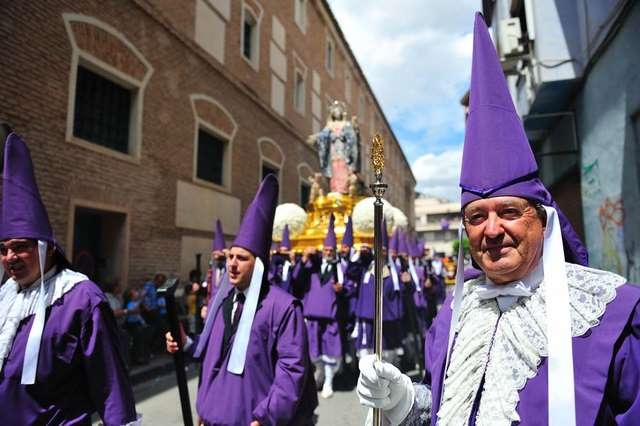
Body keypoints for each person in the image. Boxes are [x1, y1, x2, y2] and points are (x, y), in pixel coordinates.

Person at [356, 13, 640, 425]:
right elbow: (446, 405)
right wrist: (404, 399)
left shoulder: (615, 315)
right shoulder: (455, 313)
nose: (491, 231)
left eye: (509, 211)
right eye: (476, 217)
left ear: (543, 221)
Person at [0, 132, 138, 424]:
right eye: (3, 249)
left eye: (21, 247)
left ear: (47, 250)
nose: (10, 257)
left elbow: (109, 380)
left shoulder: (82, 298)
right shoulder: (6, 295)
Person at [166, 175, 317, 425]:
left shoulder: (283, 308)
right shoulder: (223, 300)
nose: (233, 264)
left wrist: (266, 417)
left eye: (242, 258)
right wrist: (185, 343)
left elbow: (292, 370)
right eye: (231, 257)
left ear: (257, 265)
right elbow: (210, 355)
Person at [301, 213, 348, 398]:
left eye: (331, 250)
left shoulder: (340, 269)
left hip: (331, 318)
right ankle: (319, 375)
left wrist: (342, 289)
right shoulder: (312, 266)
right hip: (312, 317)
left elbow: (351, 287)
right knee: (314, 350)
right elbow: (298, 280)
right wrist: (304, 259)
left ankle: (329, 381)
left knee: (330, 351)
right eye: (326, 249)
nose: (329, 252)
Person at [308, 100, 360, 193]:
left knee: (343, 172)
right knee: (334, 174)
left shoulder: (346, 125)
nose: (337, 112)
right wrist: (316, 138)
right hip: (332, 155)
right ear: (332, 113)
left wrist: (353, 131)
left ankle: (343, 192)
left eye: (339, 110)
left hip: (343, 154)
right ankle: (335, 192)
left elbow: (352, 140)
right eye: (335, 110)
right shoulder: (329, 125)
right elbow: (323, 136)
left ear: (342, 113)